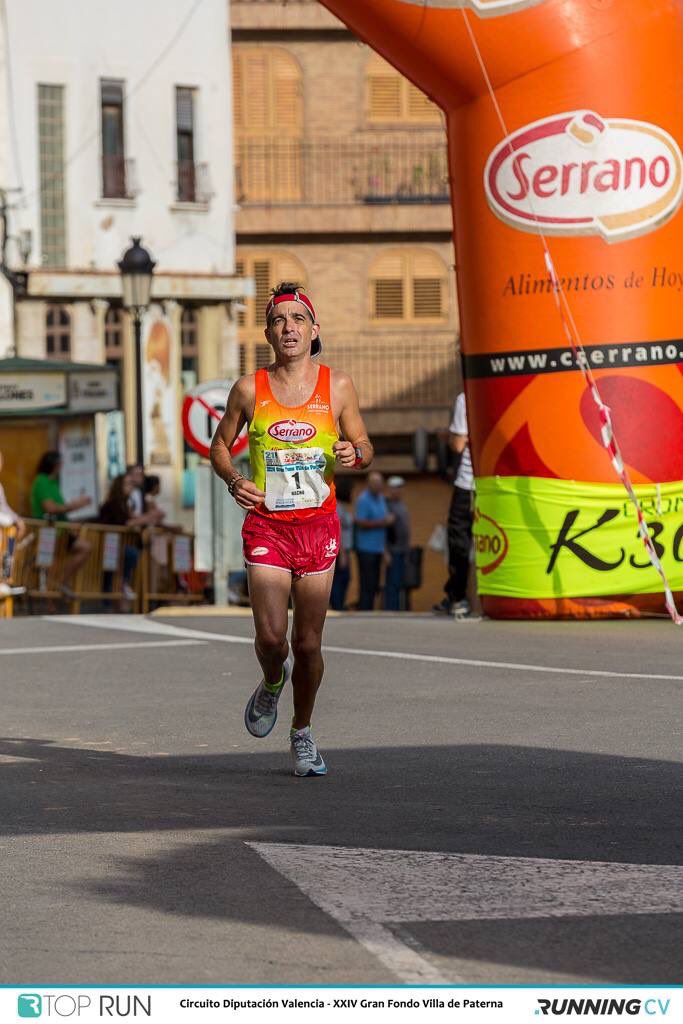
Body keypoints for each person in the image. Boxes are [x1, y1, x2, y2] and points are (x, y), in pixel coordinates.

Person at [210, 282, 373, 777]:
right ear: (267, 333)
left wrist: (355, 453)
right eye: (280, 320)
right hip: (268, 526)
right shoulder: (248, 389)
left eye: (298, 319)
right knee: (272, 639)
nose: (289, 328)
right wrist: (235, 479)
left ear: (314, 329)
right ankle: (270, 681)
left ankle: (301, 732)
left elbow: (364, 445)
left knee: (308, 644)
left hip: (318, 525)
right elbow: (220, 446)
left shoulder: (337, 387)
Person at [433, 391, 474, 618]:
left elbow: (458, 445)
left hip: (469, 482)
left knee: (459, 539)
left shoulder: (465, 397)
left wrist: (450, 437)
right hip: (499, 479)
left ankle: (458, 597)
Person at [30, 450, 93, 597]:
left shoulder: (53, 483)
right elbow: (50, 507)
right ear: (55, 465)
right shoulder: (41, 481)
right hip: (48, 532)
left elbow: (59, 508)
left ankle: (60, 581)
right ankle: (50, 596)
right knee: (48, 565)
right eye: (61, 463)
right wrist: (76, 505)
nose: (62, 466)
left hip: (61, 531)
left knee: (85, 548)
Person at [99, 473, 163, 600]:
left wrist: (146, 518)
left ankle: (117, 593)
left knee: (116, 568)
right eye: (128, 484)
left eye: (132, 484)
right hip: (109, 544)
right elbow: (126, 522)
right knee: (127, 557)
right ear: (119, 486)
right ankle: (118, 590)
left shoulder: (125, 504)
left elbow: (132, 519)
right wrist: (147, 518)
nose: (131, 487)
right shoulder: (113, 503)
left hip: (117, 544)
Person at [354, 471, 393, 611]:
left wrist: (385, 550)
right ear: (368, 484)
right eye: (375, 483)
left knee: (376, 582)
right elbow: (360, 522)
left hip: (378, 548)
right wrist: (382, 522)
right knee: (367, 582)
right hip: (366, 548)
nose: (378, 486)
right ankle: (365, 610)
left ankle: (370, 608)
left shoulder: (381, 498)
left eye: (380, 483)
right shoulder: (363, 499)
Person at [383, 475, 411, 611]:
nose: (397, 491)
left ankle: (396, 609)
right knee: (392, 582)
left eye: (400, 488)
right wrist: (386, 551)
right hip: (392, 549)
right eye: (395, 488)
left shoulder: (402, 504)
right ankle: (391, 610)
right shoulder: (386, 505)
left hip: (402, 549)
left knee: (399, 581)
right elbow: (384, 531)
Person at [330, 476, 354, 611]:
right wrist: (343, 553)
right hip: (340, 550)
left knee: (344, 578)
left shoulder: (342, 507)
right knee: (341, 579)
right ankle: (337, 606)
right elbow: (337, 529)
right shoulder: (337, 507)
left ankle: (339, 604)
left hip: (344, 549)